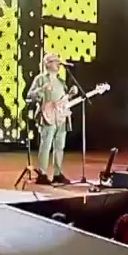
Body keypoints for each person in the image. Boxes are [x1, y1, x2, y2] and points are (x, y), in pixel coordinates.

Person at [26, 53, 75, 186]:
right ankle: (42, 174)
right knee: (46, 145)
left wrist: (70, 94)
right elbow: (30, 95)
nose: (58, 64)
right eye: (55, 61)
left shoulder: (61, 81)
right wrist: (42, 89)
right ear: (47, 63)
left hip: (61, 117)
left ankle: (57, 174)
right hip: (47, 116)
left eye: (59, 61)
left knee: (60, 146)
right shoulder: (40, 79)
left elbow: (63, 100)